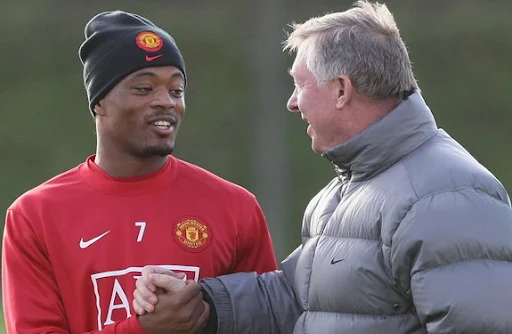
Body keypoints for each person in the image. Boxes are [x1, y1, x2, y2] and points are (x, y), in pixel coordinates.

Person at [133, 1, 512, 333]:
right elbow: (299, 300)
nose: (292, 103)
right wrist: (202, 304)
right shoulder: (343, 192)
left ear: (341, 90)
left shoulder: (446, 194)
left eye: (299, 84)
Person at [1, 10, 278, 334]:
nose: (166, 102)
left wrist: (206, 312)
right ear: (100, 102)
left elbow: (268, 320)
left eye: (176, 90)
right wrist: (146, 329)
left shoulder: (235, 206)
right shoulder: (34, 215)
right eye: (144, 89)